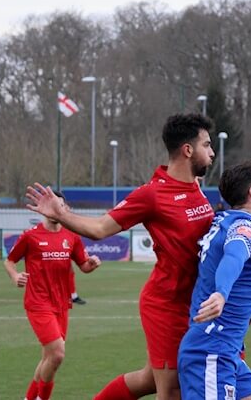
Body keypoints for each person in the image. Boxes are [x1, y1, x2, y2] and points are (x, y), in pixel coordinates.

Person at [25, 113, 215, 400]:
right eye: (207, 144)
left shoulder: (198, 190)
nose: (212, 152)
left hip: (195, 302)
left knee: (149, 379)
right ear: (188, 150)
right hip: (166, 303)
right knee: (173, 388)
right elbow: (101, 228)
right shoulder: (152, 194)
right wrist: (61, 214)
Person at [177, 160, 251, 400]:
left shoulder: (224, 221)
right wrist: (221, 292)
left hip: (226, 351)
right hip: (212, 350)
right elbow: (235, 254)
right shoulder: (247, 226)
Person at [3, 191, 102, 400]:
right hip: (38, 302)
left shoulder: (71, 236)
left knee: (48, 357)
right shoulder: (31, 236)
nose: (55, 209)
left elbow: (83, 265)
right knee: (57, 354)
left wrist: (91, 265)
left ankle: (30, 398)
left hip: (61, 304)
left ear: (66, 209)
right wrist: (14, 276)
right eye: (51, 204)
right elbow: (10, 261)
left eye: (60, 205)